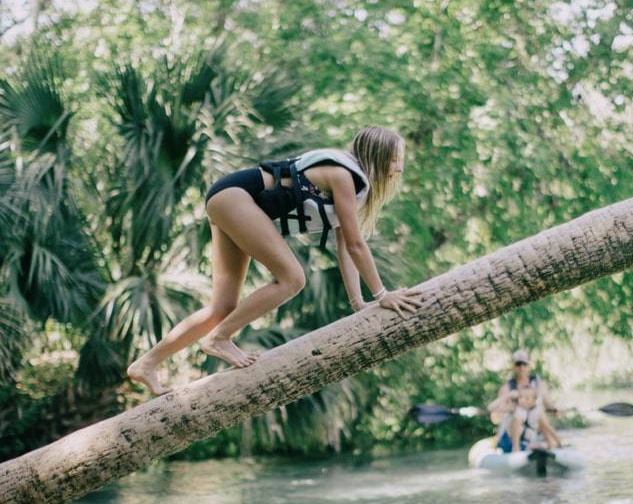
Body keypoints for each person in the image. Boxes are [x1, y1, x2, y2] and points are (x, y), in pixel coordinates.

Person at [127, 126, 423, 395]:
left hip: (230, 201)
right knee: (292, 278)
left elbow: (346, 246)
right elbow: (358, 245)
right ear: (379, 156)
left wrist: (360, 303)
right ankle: (219, 339)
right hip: (236, 196)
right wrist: (383, 295)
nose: (399, 168)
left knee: (222, 307)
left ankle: (147, 364)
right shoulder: (343, 174)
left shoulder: (353, 187)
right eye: (396, 159)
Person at [487, 349, 562, 452]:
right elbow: (494, 413)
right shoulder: (507, 389)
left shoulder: (538, 385)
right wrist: (506, 408)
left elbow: (548, 403)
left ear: (528, 366)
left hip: (532, 431)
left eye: (524, 364)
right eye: (518, 364)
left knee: (539, 414)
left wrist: (554, 410)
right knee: (518, 417)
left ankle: (553, 443)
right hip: (512, 430)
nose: (521, 367)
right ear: (514, 367)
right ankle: (516, 448)